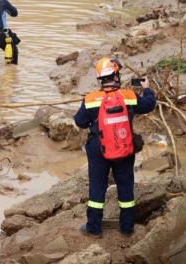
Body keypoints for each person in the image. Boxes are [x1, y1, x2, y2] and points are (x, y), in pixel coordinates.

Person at [74, 57, 156, 237]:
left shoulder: (90, 99)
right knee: (125, 185)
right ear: (116, 75)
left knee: (97, 187)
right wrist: (147, 88)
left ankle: (94, 228)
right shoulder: (128, 96)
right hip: (124, 146)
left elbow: (79, 121)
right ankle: (127, 228)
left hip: (98, 148)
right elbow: (150, 104)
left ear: (100, 79)